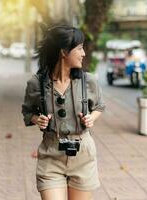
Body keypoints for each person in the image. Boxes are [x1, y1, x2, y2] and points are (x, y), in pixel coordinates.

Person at [22, 24, 106, 200]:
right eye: (80, 48)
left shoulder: (88, 81)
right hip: (51, 155)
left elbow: (99, 107)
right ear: (63, 51)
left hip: (83, 154)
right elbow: (28, 111)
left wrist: (91, 118)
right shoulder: (36, 84)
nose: (83, 54)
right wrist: (39, 120)